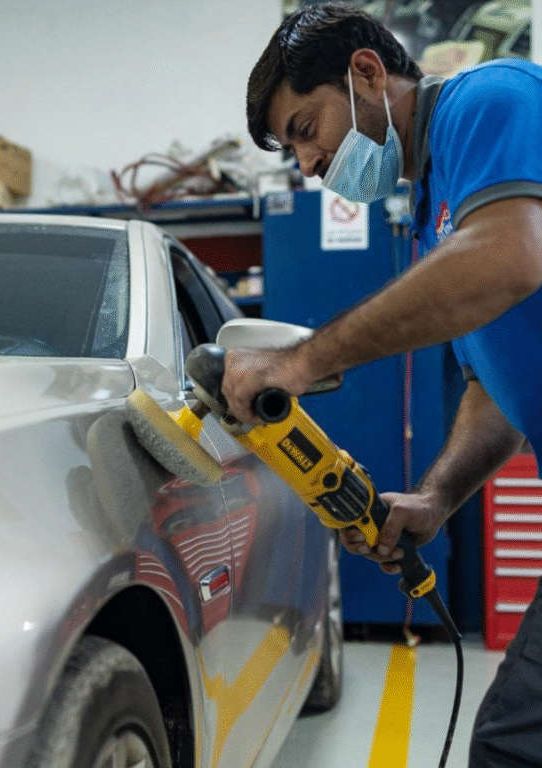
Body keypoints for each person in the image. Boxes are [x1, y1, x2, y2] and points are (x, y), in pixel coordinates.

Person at [222, 3, 542, 766]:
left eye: (306, 129)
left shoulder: (490, 99)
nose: (308, 163)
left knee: (510, 747)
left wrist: (303, 360)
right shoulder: (433, 214)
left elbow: (509, 255)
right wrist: (438, 497)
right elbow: (494, 389)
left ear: (366, 73)